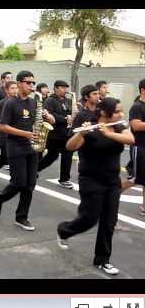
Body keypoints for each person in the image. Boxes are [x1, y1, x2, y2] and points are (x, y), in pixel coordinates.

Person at [57, 98, 134, 275]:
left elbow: (130, 139)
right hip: (91, 180)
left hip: (112, 182)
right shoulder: (89, 128)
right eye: (117, 112)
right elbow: (70, 147)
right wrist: (81, 133)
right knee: (89, 219)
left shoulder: (118, 127)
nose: (121, 114)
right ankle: (64, 230)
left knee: (109, 222)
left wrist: (109, 133)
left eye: (121, 111)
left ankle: (102, 259)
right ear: (104, 113)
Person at [0, 70, 54, 231]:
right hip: (16, 147)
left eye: (33, 83)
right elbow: (3, 127)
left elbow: (37, 121)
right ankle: (0, 197)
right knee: (19, 183)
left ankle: (21, 217)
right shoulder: (10, 103)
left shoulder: (34, 103)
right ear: (19, 83)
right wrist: (25, 134)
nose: (31, 85)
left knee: (30, 185)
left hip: (32, 148)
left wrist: (48, 117)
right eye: (28, 82)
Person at [38, 80, 74, 189]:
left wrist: (72, 115)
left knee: (68, 155)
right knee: (52, 156)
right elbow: (49, 115)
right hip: (54, 134)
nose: (65, 90)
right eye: (63, 87)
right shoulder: (50, 100)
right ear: (56, 88)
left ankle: (64, 179)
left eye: (66, 87)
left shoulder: (67, 100)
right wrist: (64, 119)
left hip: (66, 133)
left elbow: (69, 112)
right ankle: (35, 169)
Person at [121, 79, 145, 216]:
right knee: (136, 178)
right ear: (142, 90)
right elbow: (135, 126)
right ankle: (111, 194)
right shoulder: (137, 106)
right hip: (140, 147)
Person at [0, 81, 18, 181]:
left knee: (15, 157)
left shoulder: (19, 102)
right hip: (4, 134)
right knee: (5, 157)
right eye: (12, 88)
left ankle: (14, 179)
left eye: (16, 88)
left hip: (17, 134)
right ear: (6, 90)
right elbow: (0, 120)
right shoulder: (2, 103)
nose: (15, 90)